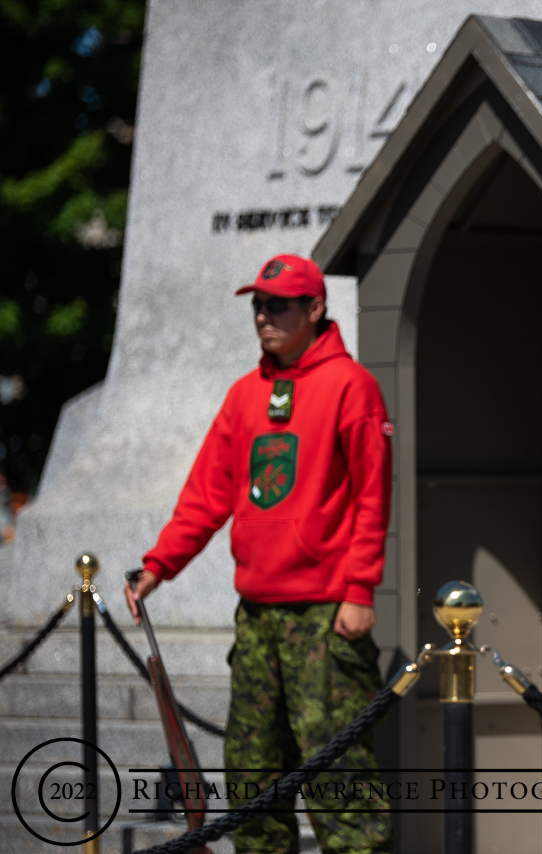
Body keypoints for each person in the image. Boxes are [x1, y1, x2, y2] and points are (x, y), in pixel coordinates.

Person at [125, 253, 394, 854]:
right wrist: (158, 566)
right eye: (258, 305)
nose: (264, 316)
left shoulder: (353, 387)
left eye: (278, 305)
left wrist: (359, 590)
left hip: (326, 617)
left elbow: (372, 498)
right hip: (258, 616)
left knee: (339, 781)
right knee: (251, 781)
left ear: (315, 309)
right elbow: (206, 494)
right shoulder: (246, 395)